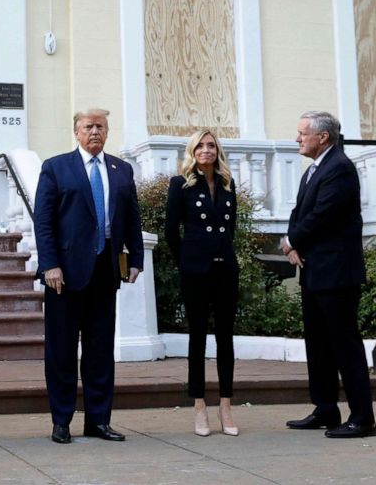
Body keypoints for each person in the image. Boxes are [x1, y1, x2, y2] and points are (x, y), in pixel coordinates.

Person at [33, 108, 144, 444]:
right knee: (62, 350)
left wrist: (135, 258)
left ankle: (98, 420)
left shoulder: (121, 170)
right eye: (88, 126)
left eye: (101, 126)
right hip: (63, 275)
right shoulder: (56, 167)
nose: (95, 131)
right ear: (76, 132)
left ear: (108, 131)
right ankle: (61, 421)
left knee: (99, 351)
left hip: (104, 271)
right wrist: (49, 264)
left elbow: (132, 219)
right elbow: (44, 221)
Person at [281, 110, 376, 438]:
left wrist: (293, 239)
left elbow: (324, 215)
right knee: (318, 345)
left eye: (302, 133)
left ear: (323, 136)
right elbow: (299, 212)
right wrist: (291, 243)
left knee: (344, 346)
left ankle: (362, 418)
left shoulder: (340, 168)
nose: (297, 138)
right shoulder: (313, 171)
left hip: (337, 274)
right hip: (313, 271)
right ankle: (325, 409)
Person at [164, 129, 240, 437]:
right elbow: (171, 231)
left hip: (225, 270)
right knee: (197, 338)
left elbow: (230, 228)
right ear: (192, 151)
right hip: (196, 271)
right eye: (200, 146)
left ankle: (225, 405)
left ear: (217, 151)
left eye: (211, 145)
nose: (206, 150)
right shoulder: (180, 185)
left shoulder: (227, 183)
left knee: (225, 338)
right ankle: (199, 406)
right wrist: (188, 260)